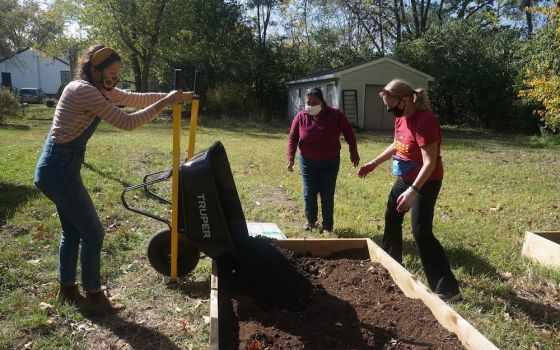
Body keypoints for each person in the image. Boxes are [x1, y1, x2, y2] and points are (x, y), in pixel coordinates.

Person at [34, 45, 196, 315]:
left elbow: (134, 98)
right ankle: (95, 297)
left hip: (59, 167)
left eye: (118, 72)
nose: (115, 77)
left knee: (73, 231)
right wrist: (166, 102)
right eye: (111, 72)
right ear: (94, 69)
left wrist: (175, 96)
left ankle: (68, 290)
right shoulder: (82, 90)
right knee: (93, 233)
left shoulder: (98, 88)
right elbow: (127, 122)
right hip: (59, 169)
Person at [357, 79, 460, 301]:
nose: (389, 109)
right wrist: (373, 163)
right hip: (405, 177)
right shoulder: (401, 118)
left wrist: (413, 191)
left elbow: (430, 162)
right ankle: (391, 265)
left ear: (405, 100)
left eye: (391, 104)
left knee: (421, 231)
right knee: (391, 215)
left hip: (426, 180)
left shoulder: (425, 121)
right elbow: (397, 144)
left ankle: (448, 288)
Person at [287, 87, 359, 233]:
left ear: (322, 101)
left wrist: (353, 152)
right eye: (308, 102)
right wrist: (290, 158)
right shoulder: (301, 116)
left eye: (314, 102)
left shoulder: (335, 114)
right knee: (309, 193)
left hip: (330, 162)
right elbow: (293, 138)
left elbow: (349, 133)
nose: (311, 106)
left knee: (327, 194)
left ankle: (327, 225)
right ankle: (311, 221)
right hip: (307, 162)